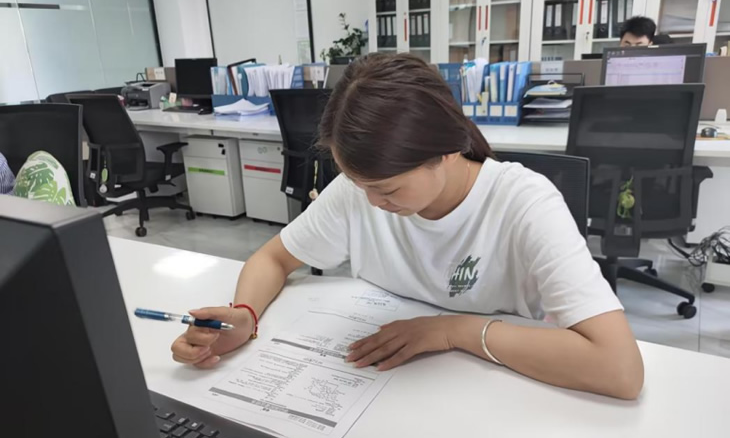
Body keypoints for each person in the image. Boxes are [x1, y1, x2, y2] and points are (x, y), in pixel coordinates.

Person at [171, 54, 644, 400]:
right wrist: (245, 314)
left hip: (495, 392)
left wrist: (449, 331)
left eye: (388, 189)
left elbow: (619, 369)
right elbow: (274, 257)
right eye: (359, 184)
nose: (371, 202)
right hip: (382, 392)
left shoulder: (525, 203)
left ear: (447, 151)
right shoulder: (358, 191)